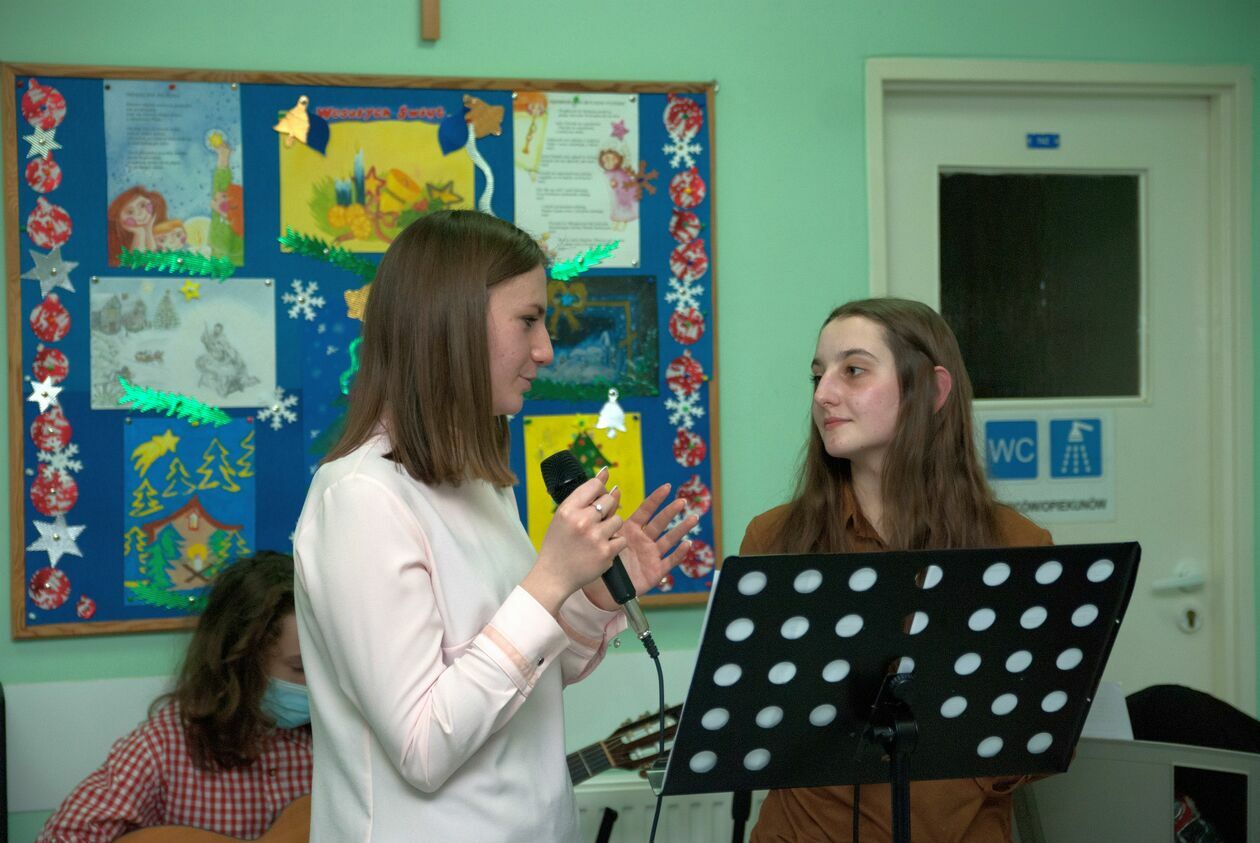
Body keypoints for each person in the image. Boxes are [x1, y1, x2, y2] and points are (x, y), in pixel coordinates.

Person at [293, 209, 694, 841]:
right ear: (449, 325)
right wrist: (548, 580)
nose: (546, 350)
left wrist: (588, 596)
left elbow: (526, 682)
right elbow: (425, 746)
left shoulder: (482, 485)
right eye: (528, 320)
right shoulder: (359, 499)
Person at [745, 298, 1052, 843]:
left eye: (853, 371)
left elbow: (1036, 735)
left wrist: (969, 770)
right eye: (817, 375)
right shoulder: (774, 540)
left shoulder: (1019, 545)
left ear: (932, 390)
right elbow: (758, 722)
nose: (822, 395)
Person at [37, 551, 312, 842]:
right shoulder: (166, 746)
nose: (315, 685)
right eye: (299, 668)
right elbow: (59, 837)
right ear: (241, 662)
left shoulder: (335, 739)